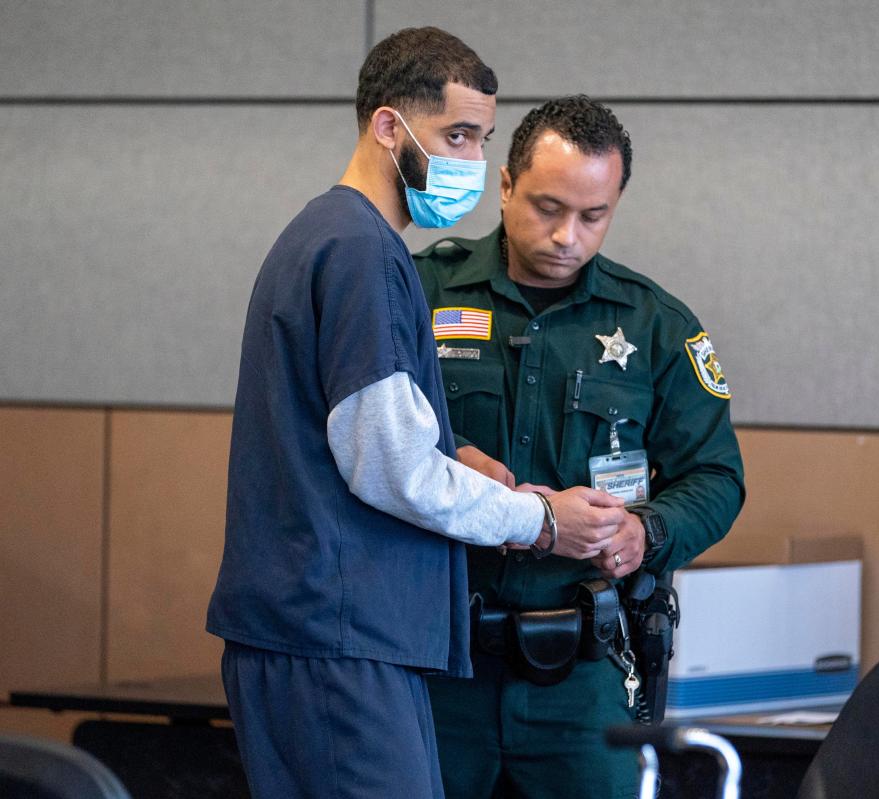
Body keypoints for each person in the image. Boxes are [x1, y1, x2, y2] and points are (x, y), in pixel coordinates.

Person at [206, 30, 629, 799]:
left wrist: (450, 456)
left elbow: (368, 439)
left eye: (481, 138)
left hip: (323, 632)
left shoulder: (330, 238)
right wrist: (538, 517)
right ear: (389, 127)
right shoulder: (361, 250)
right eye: (456, 135)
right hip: (338, 636)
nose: (471, 160)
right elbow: (391, 468)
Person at [415, 95, 746, 799]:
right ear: (504, 186)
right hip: (438, 666)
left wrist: (645, 531)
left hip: (583, 675)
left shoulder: (655, 323)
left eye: (593, 216)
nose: (568, 234)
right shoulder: (422, 292)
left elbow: (715, 476)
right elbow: (367, 434)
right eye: (546, 207)